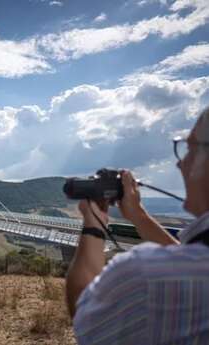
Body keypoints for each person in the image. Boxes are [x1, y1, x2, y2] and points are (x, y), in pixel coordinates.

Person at [65, 106, 209, 344]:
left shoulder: (145, 275)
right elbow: (191, 257)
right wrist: (139, 216)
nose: (180, 164)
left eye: (190, 149)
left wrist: (94, 225)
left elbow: (84, 313)